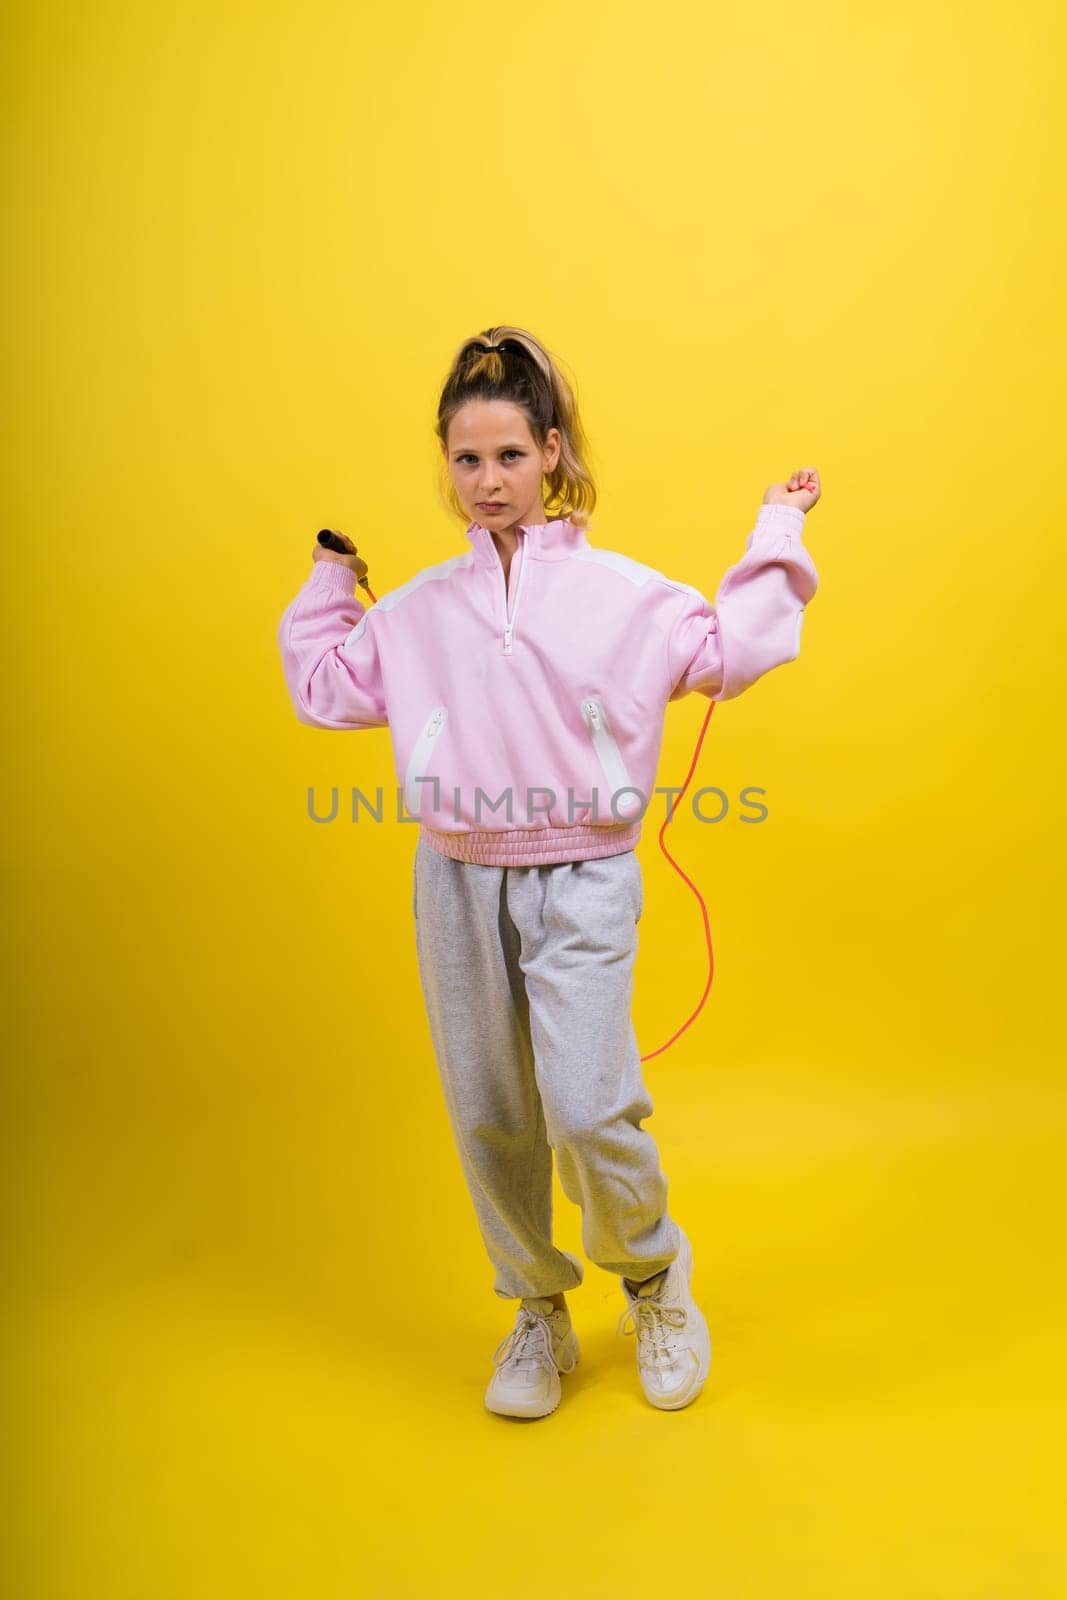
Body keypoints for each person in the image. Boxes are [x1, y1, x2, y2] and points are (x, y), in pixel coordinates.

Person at [277, 325, 822, 1420]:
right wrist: (335, 577)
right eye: (466, 459)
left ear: (554, 452)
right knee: (488, 1109)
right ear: (446, 463)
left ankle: (655, 1277)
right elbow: (329, 686)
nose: (487, 482)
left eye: (509, 457)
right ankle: (535, 1304)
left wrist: (777, 525)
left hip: (583, 875)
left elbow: (733, 651)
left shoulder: (623, 595)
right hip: (457, 876)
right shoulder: (421, 608)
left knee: (583, 1105)